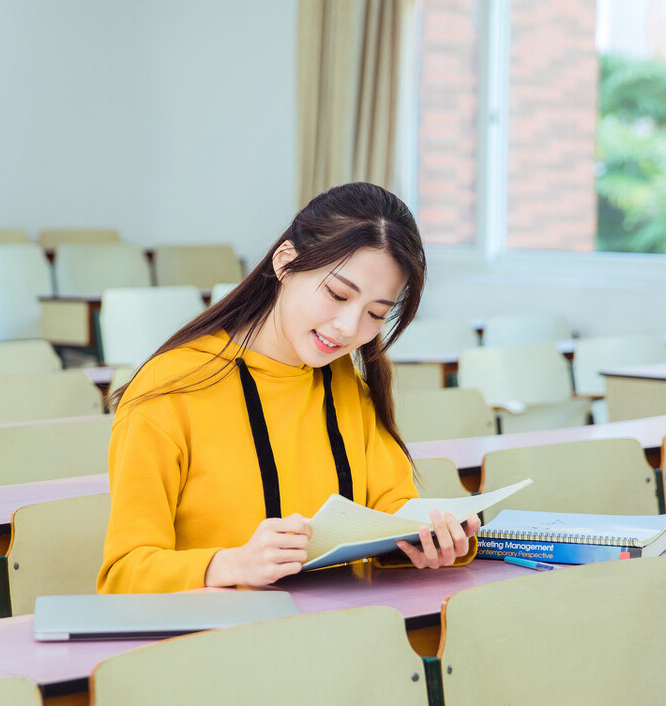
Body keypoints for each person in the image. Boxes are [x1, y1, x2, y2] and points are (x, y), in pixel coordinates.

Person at [97, 182, 479, 593]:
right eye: (337, 294)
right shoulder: (170, 388)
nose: (348, 328)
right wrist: (228, 565)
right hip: (220, 630)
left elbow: (393, 511)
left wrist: (430, 541)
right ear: (285, 262)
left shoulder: (345, 382)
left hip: (336, 625)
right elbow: (123, 574)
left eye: (374, 314)